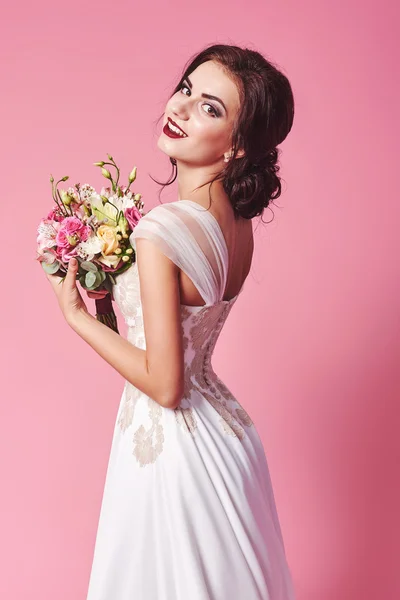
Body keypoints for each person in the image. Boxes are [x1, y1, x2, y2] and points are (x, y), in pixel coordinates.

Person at [45, 43, 296, 599]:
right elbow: (178, 342)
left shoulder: (161, 229)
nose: (180, 109)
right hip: (228, 435)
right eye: (186, 90)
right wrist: (110, 302)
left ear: (237, 146)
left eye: (210, 107)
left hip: (175, 451)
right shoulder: (236, 225)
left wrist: (75, 316)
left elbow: (164, 383)